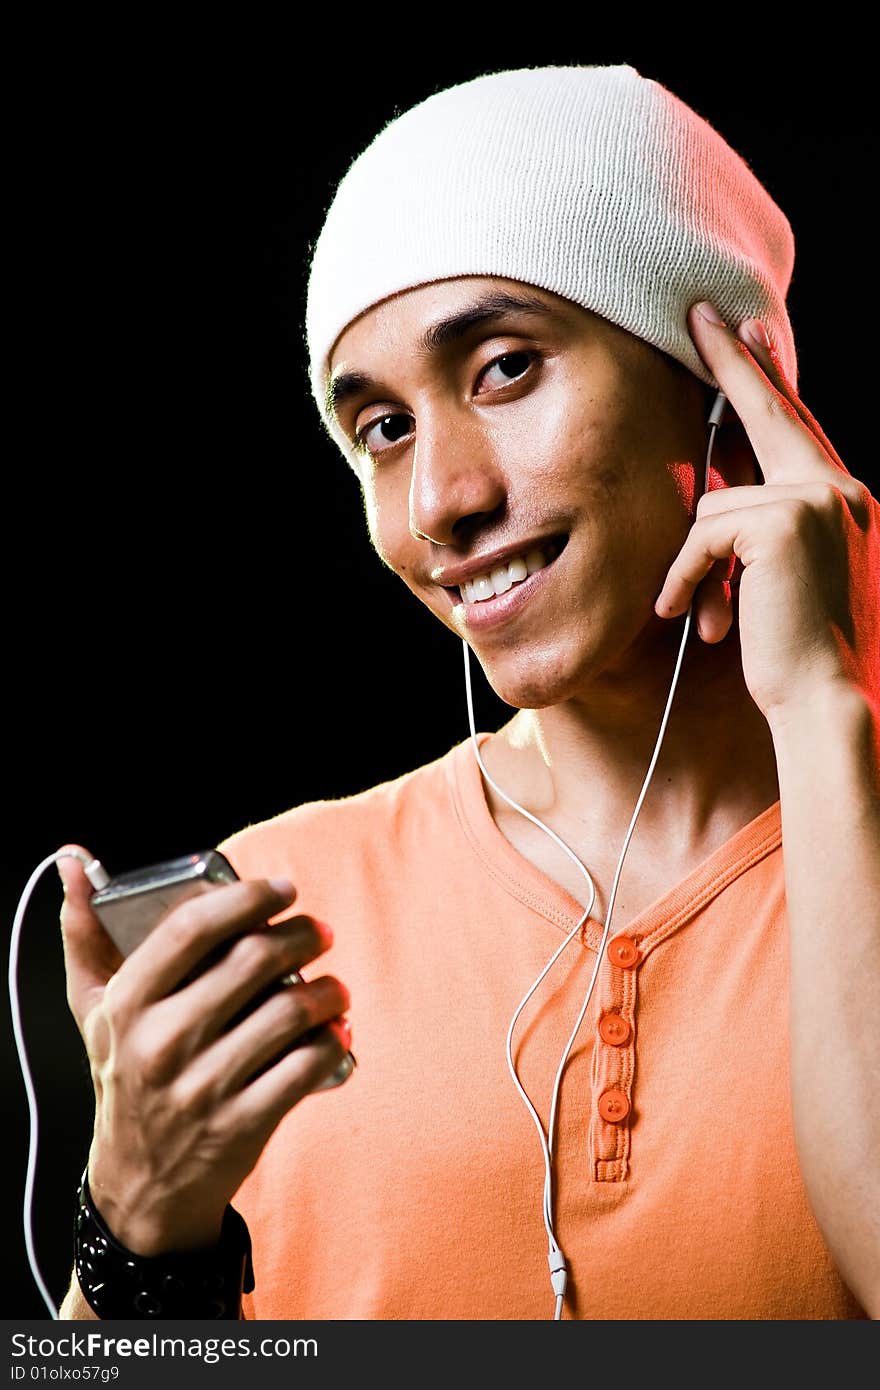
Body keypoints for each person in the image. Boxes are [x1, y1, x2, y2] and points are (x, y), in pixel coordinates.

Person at [56, 64, 878, 1321]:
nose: (441, 499)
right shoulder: (282, 920)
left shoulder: (857, 825)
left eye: (503, 369)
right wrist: (138, 1231)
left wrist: (824, 716)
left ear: (727, 385)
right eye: (382, 428)